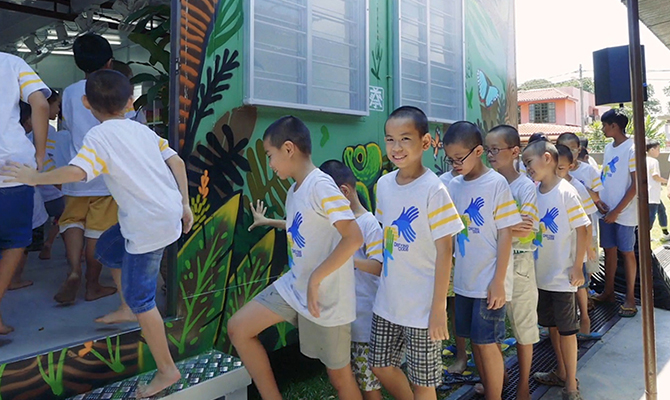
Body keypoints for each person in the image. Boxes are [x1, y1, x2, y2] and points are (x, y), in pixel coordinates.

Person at [2, 69, 192, 398]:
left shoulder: (99, 137)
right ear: (130, 101)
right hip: (166, 213)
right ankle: (127, 306)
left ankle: (166, 369)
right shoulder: (142, 130)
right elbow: (177, 162)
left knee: (143, 300)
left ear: (86, 103)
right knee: (106, 248)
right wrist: (185, 203)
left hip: (147, 226)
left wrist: (35, 178)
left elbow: (78, 172)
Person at [227, 116, 364, 400]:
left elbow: (354, 237)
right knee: (239, 328)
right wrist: (268, 222)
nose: (270, 164)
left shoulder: (321, 186)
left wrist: (316, 279)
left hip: (327, 298)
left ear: (288, 148)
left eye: (270, 155)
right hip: (294, 287)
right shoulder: (294, 190)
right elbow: (304, 227)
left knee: (340, 379)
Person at [248, 159, 385, 400]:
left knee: (367, 383)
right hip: (342, 316)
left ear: (343, 191)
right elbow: (304, 228)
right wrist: (268, 222)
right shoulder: (333, 220)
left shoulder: (368, 224)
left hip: (363, 320)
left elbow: (378, 266)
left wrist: (344, 260)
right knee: (348, 376)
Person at [368, 106, 462, 400]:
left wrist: (439, 308)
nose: (396, 148)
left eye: (405, 139)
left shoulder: (434, 189)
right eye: (390, 139)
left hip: (423, 306)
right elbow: (387, 235)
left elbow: (446, 250)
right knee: (380, 365)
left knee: (424, 382)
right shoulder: (384, 184)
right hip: (387, 300)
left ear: (425, 142)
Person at [445, 121, 521, 400]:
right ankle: (489, 387)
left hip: (489, 282)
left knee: (488, 343)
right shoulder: (453, 185)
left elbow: (505, 234)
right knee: (475, 342)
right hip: (464, 281)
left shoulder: (496, 183)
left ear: (478, 151)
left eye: (459, 158)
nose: (455, 165)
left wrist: (498, 281)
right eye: (450, 159)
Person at [522, 140, 589, 400]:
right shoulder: (533, 192)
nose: (527, 168)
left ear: (547, 158)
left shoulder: (566, 192)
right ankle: (561, 371)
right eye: (525, 164)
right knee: (551, 327)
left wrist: (577, 267)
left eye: (530, 162)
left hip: (562, 277)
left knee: (567, 332)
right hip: (541, 276)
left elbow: (582, 228)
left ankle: (571, 384)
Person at [57, 33, 119, 305]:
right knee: (97, 231)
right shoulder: (114, 90)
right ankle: (92, 285)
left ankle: (73, 271)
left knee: (72, 221)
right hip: (104, 177)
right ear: (109, 63)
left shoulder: (70, 92)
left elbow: (68, 127)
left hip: (75, 170)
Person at [485, 124, 539, 400]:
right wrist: (507, 225)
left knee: (523, 326)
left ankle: (523, 385)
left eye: (496, 149)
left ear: (515, 151)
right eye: (487, 149)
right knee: (490, 328)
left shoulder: (525, 187)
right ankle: (499, 378)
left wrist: (496, 226)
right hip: (491, 264)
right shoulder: (486, 183)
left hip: (519, 264)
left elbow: (527, 228)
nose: (490, 155)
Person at [0, 51, 50, 334]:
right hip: (13, 166)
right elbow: (40, 103)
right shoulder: (11, 63)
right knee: (15, 240)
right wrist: (40, 153)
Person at [593, 109, 638, 318]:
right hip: (606, 210)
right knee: (608, 250)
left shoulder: (633, 149)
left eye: (604, 125)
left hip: (625, 213)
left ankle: (630, 297)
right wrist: (601, 202)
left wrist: (617, 211)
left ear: (615, 126)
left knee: (627, 252)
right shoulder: (607, 148)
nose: (602, 129)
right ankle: (608, 292)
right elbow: (606, 177)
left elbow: (636, 186)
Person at [556, 144, 602, 341]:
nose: (556, 171)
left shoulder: (578, 187)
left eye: (561, 168)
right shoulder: (547, 186)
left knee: (580, 285)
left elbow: (588, 220)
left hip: (577, 248)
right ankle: (558, 324)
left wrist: (589, 248)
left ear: (571, 166)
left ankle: (584, 319)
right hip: (558, 248)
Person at [439, 169, 469, 376]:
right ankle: (461, 354)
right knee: (453, 306)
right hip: (449, 254)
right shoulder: (443, 182)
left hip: (471, 256)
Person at [647, 140, 668, 233]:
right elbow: (655, 176)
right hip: (652, 194)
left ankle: (665, 232)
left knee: (661, 210)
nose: (659, 152)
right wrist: (666, 181)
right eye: (658, 149)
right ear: (652, 149)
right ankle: (643, 237)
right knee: (650, 217)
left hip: (649, 194)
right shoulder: (653, 161)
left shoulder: (642, 160)